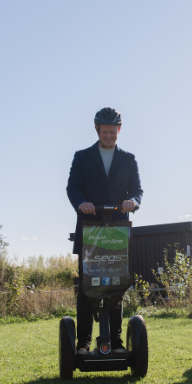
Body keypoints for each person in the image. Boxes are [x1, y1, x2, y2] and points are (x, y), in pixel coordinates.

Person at [66, 107, 143, 354]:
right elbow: (73, 188)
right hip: (90, 230)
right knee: (87, 288)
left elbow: (137, 190)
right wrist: (82, 203)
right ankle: (84, 343)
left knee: (116, 286)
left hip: (117, 233)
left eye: (113, 131)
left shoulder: (129, 159)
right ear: (97, 129)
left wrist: (133, 201)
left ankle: (117, 341)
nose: (109, 135)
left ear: (119, 130)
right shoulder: (82, 157)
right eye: (105, 131)